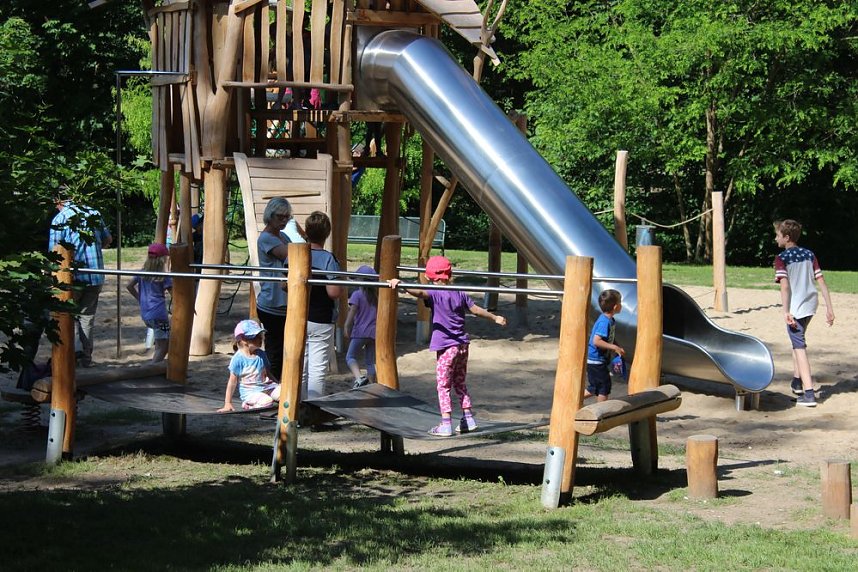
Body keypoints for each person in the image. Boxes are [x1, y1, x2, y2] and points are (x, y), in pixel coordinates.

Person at [388, 255, 507, 437]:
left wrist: (401, 284)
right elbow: (475, 310)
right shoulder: (458, 291)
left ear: (428, 276)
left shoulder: (434, 292)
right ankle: (468, 418)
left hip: (447, 347)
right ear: (449, 275)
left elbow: (419, 293)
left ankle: (445, 424)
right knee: (459, 382)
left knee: (443, 385)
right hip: (462, 345)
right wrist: (495, 317)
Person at [774, 219, 835, 407]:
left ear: (786, 237)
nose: (776, 239)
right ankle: (797, 382)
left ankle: (809, 394)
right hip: (810, 305)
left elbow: (785, 287)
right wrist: (829, 308)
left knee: (799, 348)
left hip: (796, 307)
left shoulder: (781, 258)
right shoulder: (809, 254)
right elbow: (821, 282)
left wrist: (786, 311)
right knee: (797, 342)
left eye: (777, 235)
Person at [48, 192, 112, 368]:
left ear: (58, 200)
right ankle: (85, 357)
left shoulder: (60, 219)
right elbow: (108, 239)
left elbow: (55, 254)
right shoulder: (93, 213)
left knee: (65, 316)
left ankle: (67, 358)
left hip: (72, 277)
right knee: (86, 318)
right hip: (95, 275)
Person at [256, 197, 304, 381]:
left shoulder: (283, 236)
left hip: (282, 303)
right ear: (270, 215)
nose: (284, 220)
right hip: (272, 304)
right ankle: (272, 385)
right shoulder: (267, 238)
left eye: (287, 217)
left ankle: (279, 385)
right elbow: (293, 255)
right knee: (275, 351)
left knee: (284, 349)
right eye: (280, 217)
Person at [296, 211, 342, 399]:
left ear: (306, 231)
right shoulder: (328, 259)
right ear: (327, 233)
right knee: (317, 368)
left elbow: (284, 285)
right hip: (321, 319)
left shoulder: (296, 254)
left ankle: (298, 404)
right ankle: (313, 406)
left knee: (300, 364)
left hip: (298, 316)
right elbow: (334, 292)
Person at [217, 319, 280, 412]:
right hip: (250, 392)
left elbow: (268, 373)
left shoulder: (261, 354)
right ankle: (248, 405)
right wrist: (228, 403)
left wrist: (277, 384)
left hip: (266, 387)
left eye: (260, 336)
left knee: (284, 394)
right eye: (256, 337)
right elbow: (232, 381)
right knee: (267, 402)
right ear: (244, 340)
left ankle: (264, 399)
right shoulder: (238, 358)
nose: (261, 339)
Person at [126, 243, 172, 363]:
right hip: (159, 315)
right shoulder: (163, 276)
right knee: (164, 347)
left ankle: (154, 365)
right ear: (163, 259)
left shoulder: (142, 272)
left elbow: (129, 286)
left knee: (160, 343)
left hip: (146, 314)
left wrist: (140, 299)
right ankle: (151, 367)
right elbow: (175, 295)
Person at [584, 289, 626, 402]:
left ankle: (574, 400)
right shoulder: (604, 322)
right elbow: (596, 341)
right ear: (616, 307)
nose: (621, 305)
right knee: (604, 388)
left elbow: (608, 338)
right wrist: (614, 347)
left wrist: (617, 346)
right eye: (620, 302)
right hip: (596, 361)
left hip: (598, 360)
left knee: (594, 388)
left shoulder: (610, 320)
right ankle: (600, 410)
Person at [344, 265, 378, 389]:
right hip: (373, 333)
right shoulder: (376, 297)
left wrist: (346, 326)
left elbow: (352, 312)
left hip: (360, 332)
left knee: (350, 356)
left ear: (361, 280)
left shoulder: (357, 295)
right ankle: (372, 384)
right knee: (370, 361)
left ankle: (359, 378)